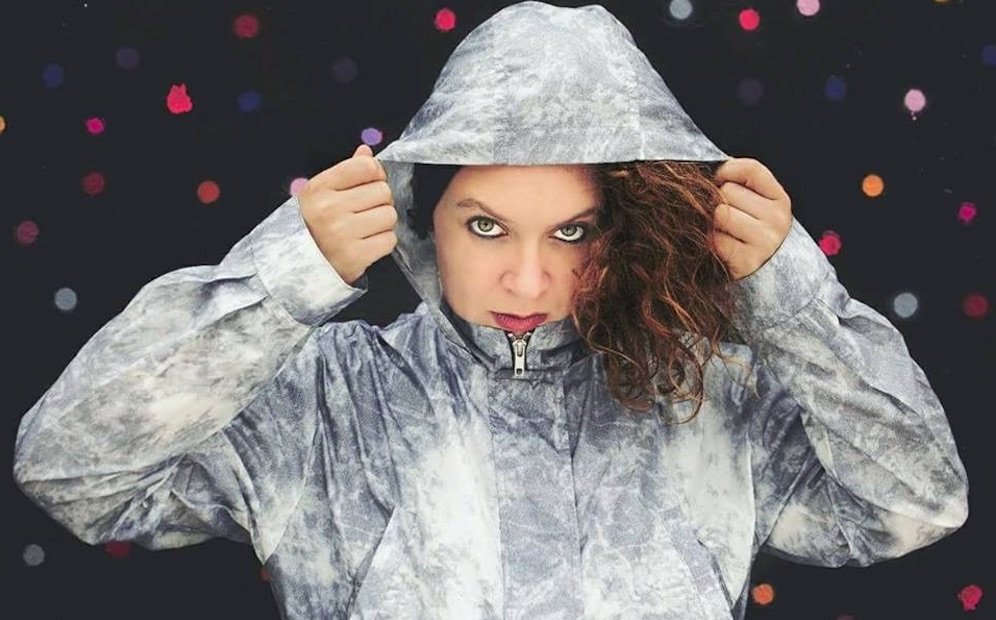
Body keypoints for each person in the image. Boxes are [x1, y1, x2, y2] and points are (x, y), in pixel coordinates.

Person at [13, 2, 968, 619]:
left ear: (629, 226)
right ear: (420, 215)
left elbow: (914, 507)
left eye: (573, 232)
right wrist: (276, 282)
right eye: (485, 225)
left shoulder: (710, 393)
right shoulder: (326, 400)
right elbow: (71, 472)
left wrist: (795, 304)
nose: (525, 282)